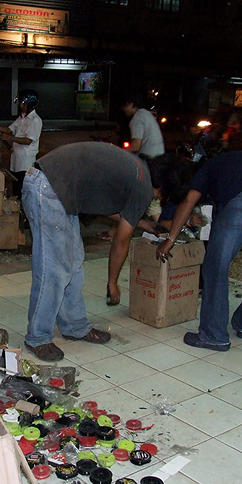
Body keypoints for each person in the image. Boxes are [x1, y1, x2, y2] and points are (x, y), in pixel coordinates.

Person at [22, 142, 157, 361]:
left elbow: (115, 210)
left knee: (74, 262)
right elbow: (121, 242)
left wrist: (140, 223)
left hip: (58, 188)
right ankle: (38, 337)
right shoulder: (144, 187)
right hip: (48, 187)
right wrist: (112, 282)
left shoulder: (138, 168)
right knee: (54, 269)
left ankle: (75, 326)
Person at [156, 151, 242, 351]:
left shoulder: (208, 167)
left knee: (215, 265)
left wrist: (169, 240)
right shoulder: (240, 165)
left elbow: (188, 202)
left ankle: (214, 335)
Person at [0, 89, 42, 198]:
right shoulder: (21, 118)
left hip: (25, 163)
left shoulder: (35, 120)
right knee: (15, 189)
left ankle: (22, 212)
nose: (20, 106)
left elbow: (28, 140)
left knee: (22, 190)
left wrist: (10, 138)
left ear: (29, 104)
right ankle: (16, 209)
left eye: (22, 103)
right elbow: (9, 129)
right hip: (16, 161)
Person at [121, 93, 165, 160]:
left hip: (148, 159)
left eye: (124, 106)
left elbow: (135, 147)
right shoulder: (146, 114)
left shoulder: (137, 119)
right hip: (159, 156)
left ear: (131, 105)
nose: (123, 109)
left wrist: (120, 153)